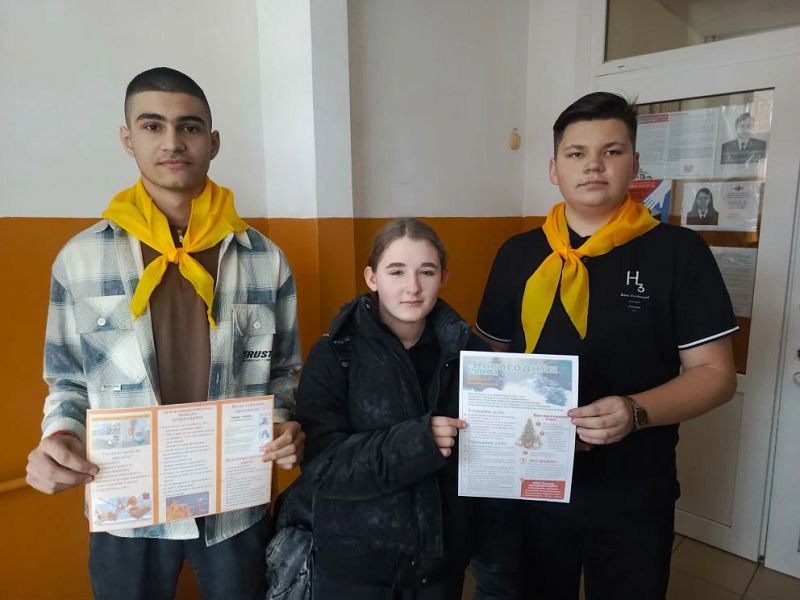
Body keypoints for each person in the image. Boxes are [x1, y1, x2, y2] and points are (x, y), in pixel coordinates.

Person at [25, 67, 305, 599]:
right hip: (126, 501)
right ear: (127, 138)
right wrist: (58, 439)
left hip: (233, 503)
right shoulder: (80, 261)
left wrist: (282, 424)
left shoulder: (266, 261)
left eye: (189, 127)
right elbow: (68, 380)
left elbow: (282, 374)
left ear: (212, 142)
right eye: (152, 126)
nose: (173, 142)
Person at [475, 92, 738, 600]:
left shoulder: (679, 253)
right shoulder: (518, 255)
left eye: (611, 151)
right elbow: (489, 361)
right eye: (576, 153)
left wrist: (634, 411)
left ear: (634, 164)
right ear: (554, 168)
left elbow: (715, 374)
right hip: (532, 481)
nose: (593, 165)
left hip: (634, 487)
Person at [291, 218, 489, 599]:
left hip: (440, 568)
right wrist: (419, 440)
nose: (412, 287)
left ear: (444, 277)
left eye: (426, 271)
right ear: (372, 277)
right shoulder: (335, 354)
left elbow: (494, 460)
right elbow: (323, 465)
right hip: (353, 570)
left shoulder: (470, 355)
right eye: (396, 271)